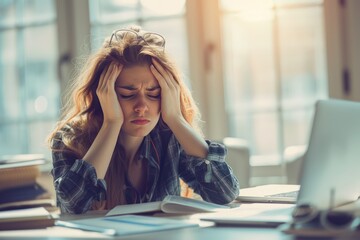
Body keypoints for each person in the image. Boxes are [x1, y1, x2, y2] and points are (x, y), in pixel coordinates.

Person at [48, 26, 239, 214]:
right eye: (127, 94)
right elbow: (73, 206)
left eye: (154, 94)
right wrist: (111, 123)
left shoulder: (168, 136)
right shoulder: (70, 139)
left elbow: (225, 194)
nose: (141, 107)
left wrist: (175, 118)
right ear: (105, 96)